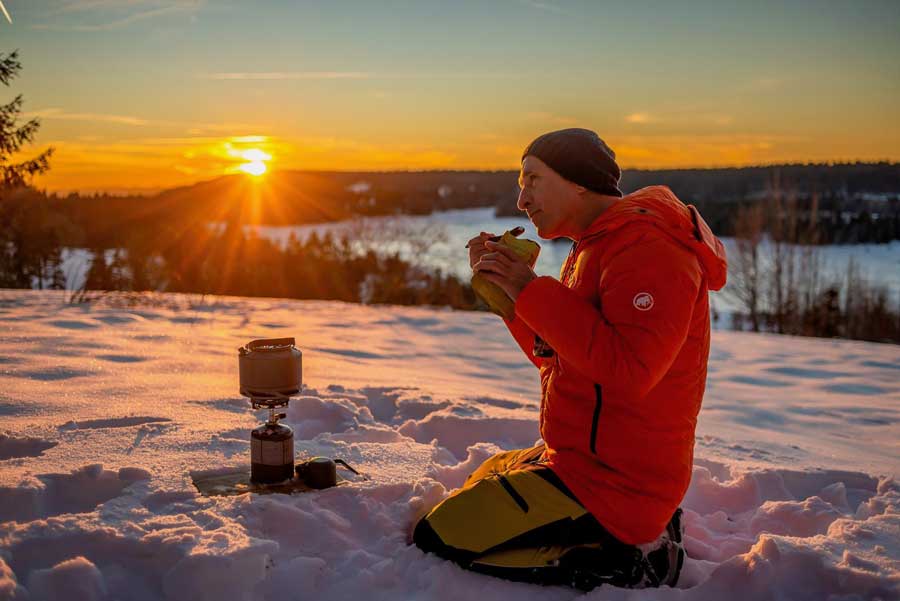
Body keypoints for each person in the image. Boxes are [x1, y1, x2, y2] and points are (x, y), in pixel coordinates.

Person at [412, 128, 728, 590]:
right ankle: (631, 538)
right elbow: (562, 360)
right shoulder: (595, 245)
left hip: (619, 486)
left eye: (532, 180)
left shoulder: (649, 248)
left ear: (578, 181)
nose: (521, 199)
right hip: (583, 459)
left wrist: (528, 288)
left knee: (437, 533)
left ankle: (629, 561)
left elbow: (630, 370)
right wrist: (510, 297)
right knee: (483, 476)